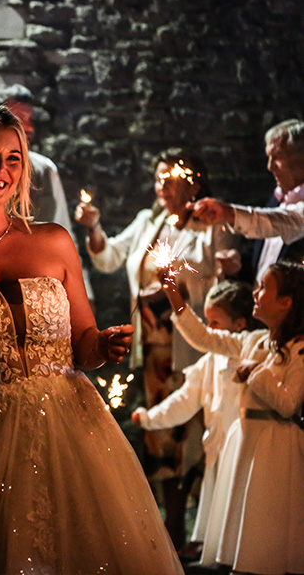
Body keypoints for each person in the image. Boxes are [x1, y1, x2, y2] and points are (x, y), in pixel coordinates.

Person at [0, 103, 181, 574]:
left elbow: (82, 344)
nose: (0, 170)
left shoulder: (54, 241)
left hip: (70, 422)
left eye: (12, 158)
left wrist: (103, 345)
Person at [75, 147, 237, 548]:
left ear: (192, 181)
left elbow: (216, 276)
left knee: (196, 431)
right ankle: (174, 527)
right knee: (162, 434)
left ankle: (204, 525)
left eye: (170, 177)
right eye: (158, 177)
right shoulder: (150, 221)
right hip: (155, 351)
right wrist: (94, 229)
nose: (161, 185)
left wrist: (175, 289)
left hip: (192, 344)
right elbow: (110, 258)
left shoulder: (209, 224)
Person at [159, 259, 304, 575]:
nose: (256, 292)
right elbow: (205, 339)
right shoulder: (252, 341)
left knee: (270, 516)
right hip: (246, 440)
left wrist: (255, 372)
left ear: (286, 303)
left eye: (264, 287)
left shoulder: (300, 349)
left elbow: (289, 404)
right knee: (245, 516)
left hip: (276, 444)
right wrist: (173, 294)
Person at [132, 280, 256, 557]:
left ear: (239, 324)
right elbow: (183, 402)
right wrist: (149, 418)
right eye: (208, 322)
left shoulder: (249, 351)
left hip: (245, 450)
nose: (210, 330)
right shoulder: (208, 363)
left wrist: (172, 293)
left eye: (216, 323)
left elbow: (200, 336)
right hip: (217, 449)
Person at [0, 83, 96, 305]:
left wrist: (84, 294)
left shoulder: (44, 170)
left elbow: (62, 231)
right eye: (19, 119)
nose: (29, 128)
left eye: (29, 120)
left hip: (37, 289)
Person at [190, 119, 304, 282]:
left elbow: (285, 222)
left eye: (277, 157)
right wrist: (238, 267)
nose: (270, 167)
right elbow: (266, 260)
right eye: (268, 157)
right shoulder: (277, 199)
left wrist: (228, 213)